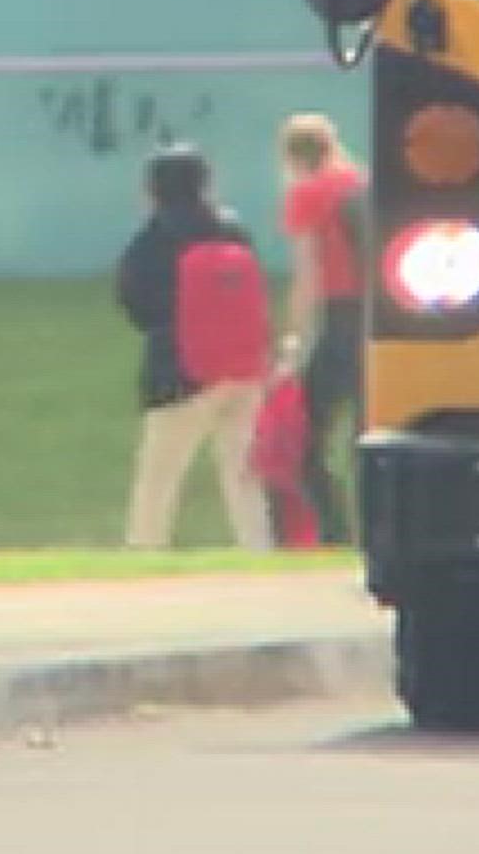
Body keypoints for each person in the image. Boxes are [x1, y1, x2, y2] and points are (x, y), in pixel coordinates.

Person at [117, 144, 274, 552]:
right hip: (243, 369)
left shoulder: (153, 239)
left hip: (179, 372)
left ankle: (146, 550)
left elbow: (135, 303)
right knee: (245, 474)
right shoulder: (232, 230)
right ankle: (259, 549)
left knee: (159, 478)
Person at [277, 113, 366, 544]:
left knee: (307, 439)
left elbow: (308, 273)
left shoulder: (308, 195)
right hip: (381, 320)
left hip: (340, 316)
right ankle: (377, 529)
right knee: (366, 434)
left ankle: (335, 531)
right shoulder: (361, 185)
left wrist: (294, 340)